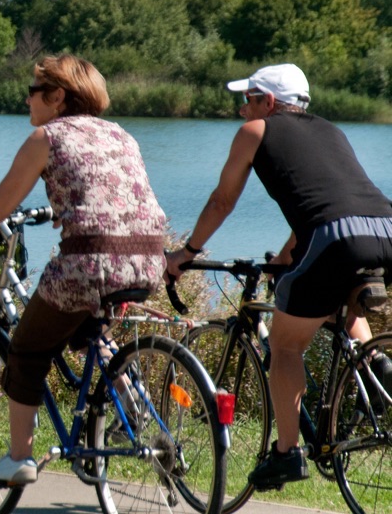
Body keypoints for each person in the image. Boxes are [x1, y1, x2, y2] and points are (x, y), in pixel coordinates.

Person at [0, 54, 167, 486]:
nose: (27, 99)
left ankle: (20, 457)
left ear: (57, 97)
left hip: (90, 263)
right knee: (89, 333)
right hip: (148, 259)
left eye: (33, 91)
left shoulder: (46, 138)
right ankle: (134, 410)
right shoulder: (121, 134)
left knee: (26, 349)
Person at [164, 63, 392, 490]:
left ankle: (287, 452)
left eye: (248, 100)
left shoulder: (256, 131)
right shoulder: (331, 131)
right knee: (328, 296)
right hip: (384, 229)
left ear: (268, 102)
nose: (242, 111)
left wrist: (186, 252)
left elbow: (221, 201)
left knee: (286, 346)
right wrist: (288, 257)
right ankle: (377, 367)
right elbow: (324, 203)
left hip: (336, 238)